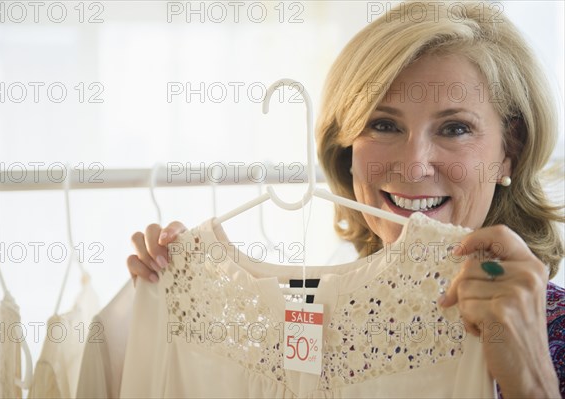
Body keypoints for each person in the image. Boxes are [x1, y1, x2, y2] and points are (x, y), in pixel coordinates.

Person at [127, 2, 564, 397]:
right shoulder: (287, 313)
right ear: (346, 151)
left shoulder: (555, 333)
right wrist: (181, 288)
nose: (414, 167)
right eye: (383, 125)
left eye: (454, 129)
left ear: (510, 151)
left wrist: (533, 382)